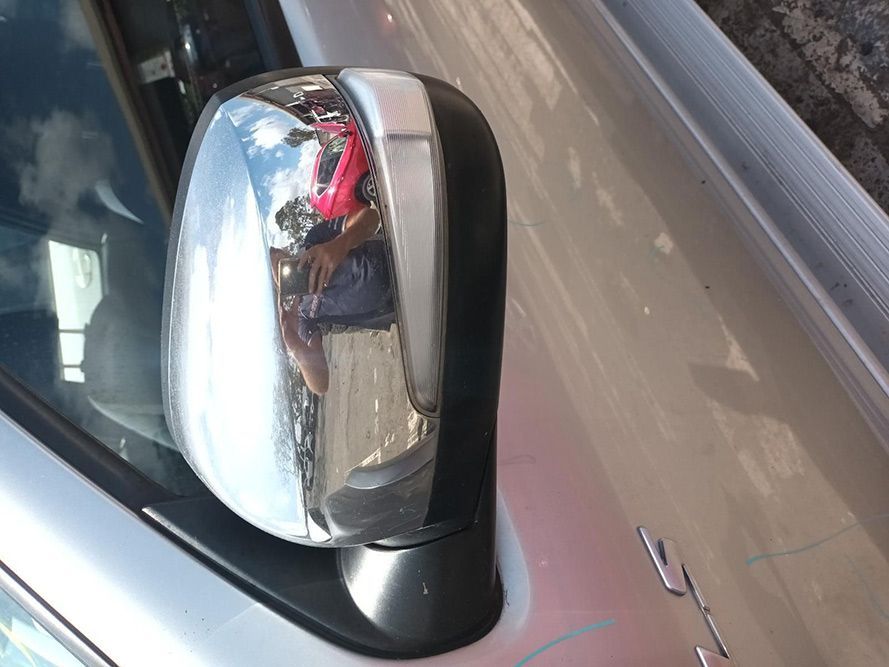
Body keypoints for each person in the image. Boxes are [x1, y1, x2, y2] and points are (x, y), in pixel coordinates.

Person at [271, 205, 394, 395]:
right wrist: (297, 348)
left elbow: (371, 217)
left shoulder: (314, 241)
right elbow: (321, 385)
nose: (282, 276)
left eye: (281, 266)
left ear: (283, 252)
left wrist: (340, 244)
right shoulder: (303, 316)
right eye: (278, 279)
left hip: (397, 254)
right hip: (398, 307)